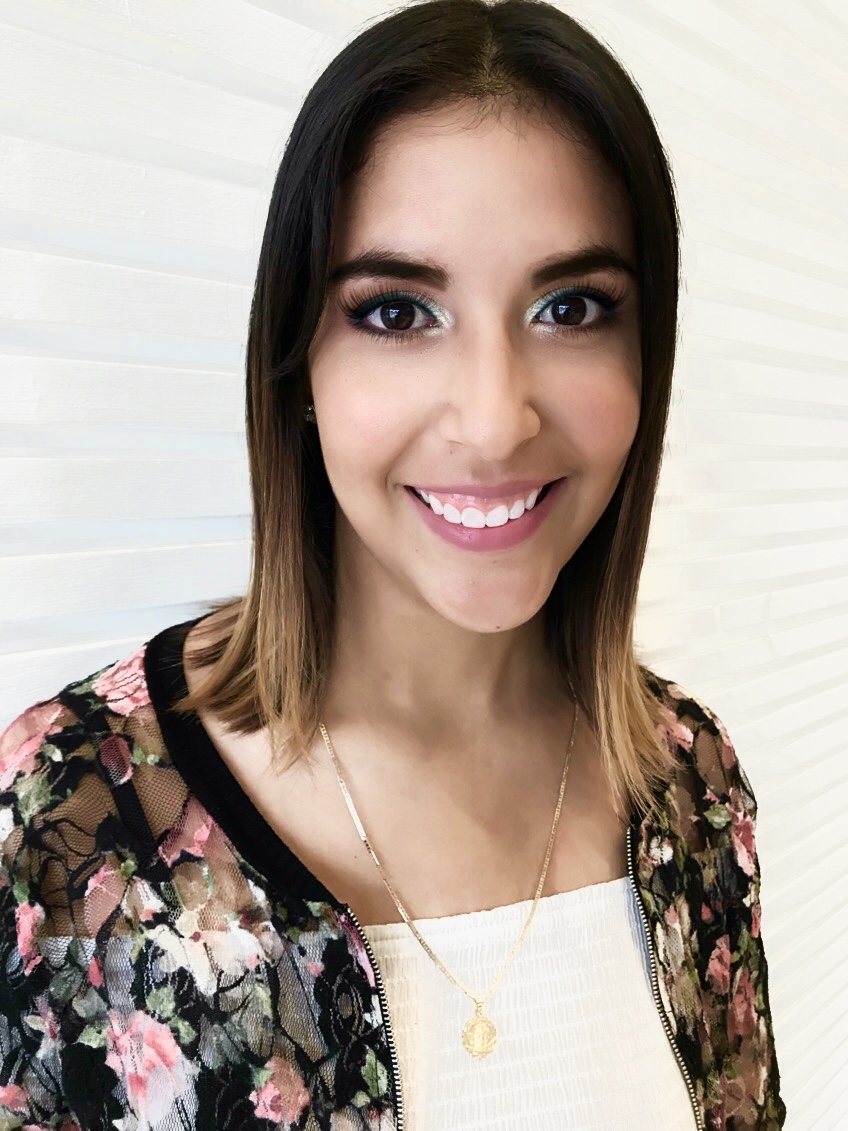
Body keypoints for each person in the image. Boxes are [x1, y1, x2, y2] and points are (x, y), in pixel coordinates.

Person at [0, 1, 786, 1128]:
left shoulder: (691, 790)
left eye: (570, 307)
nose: (494, 419)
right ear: (298, 366)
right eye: (399, 312)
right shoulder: (68, 816)